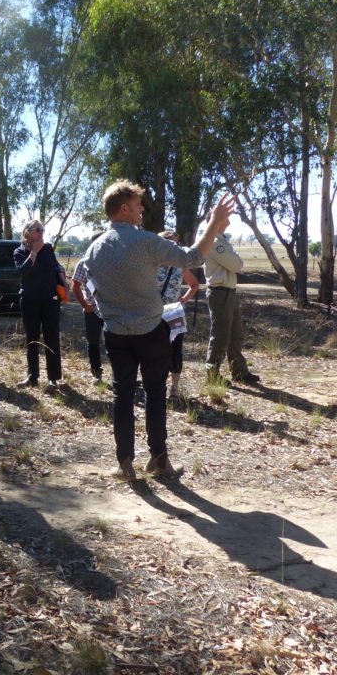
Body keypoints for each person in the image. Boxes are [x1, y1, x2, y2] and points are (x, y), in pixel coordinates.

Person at [82, 180, 234, 483]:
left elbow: (88, 289)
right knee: (155, 395)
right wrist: (215, 223)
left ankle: (124, 463)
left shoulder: (94, 248)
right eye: (138, 205)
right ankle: (158, 460)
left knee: (122, 396)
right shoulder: (145, 241)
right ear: (124, 208)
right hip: (151, 331)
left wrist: (108, 315)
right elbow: (192, 258)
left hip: (115, 335)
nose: (142, 210)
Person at [203, 215, 260, 384]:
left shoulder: (221, 240)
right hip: (219, 292)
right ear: (216, 220)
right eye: (225, 217)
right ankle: (212, 374)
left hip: (229, 291)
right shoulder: (214, 241)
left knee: (236, 334)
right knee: (220, 335)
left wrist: (235, 258)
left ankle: (239, 371)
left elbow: (235, 262)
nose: (228, 221)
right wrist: (235, 258)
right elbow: (237, 265)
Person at [14, 220, 69, 389]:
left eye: (42, 229)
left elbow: (54, 265)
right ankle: (32, 376)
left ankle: (53, 378)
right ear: (27, 232)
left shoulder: (48, 248)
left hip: (50, 299)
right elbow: (22, 272)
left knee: (52, 337)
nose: (41, 232)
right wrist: (34, 253)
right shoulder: (19, 251)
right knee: (32, 339)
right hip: (30, 299)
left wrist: (61, 276)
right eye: (37, 229)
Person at [157, 230, 201, 400]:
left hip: (173, 312)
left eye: (176, 243)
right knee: (153, 349)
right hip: (153, 312)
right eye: (171, 243)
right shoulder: (151, 263)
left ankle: (174, 390)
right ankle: (157, 385)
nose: (175, 246)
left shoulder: (179, 265)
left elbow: (194, 285)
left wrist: (183, 300)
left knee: (175, 350)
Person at [71, 232, 105, 381]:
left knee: (118, 342)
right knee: (93, 342)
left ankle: (121, 375)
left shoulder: (114, 261)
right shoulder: (83, 263)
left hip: (113, 309)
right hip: (93, 309)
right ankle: (96, 372)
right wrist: (85, 305)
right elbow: (76, 286)